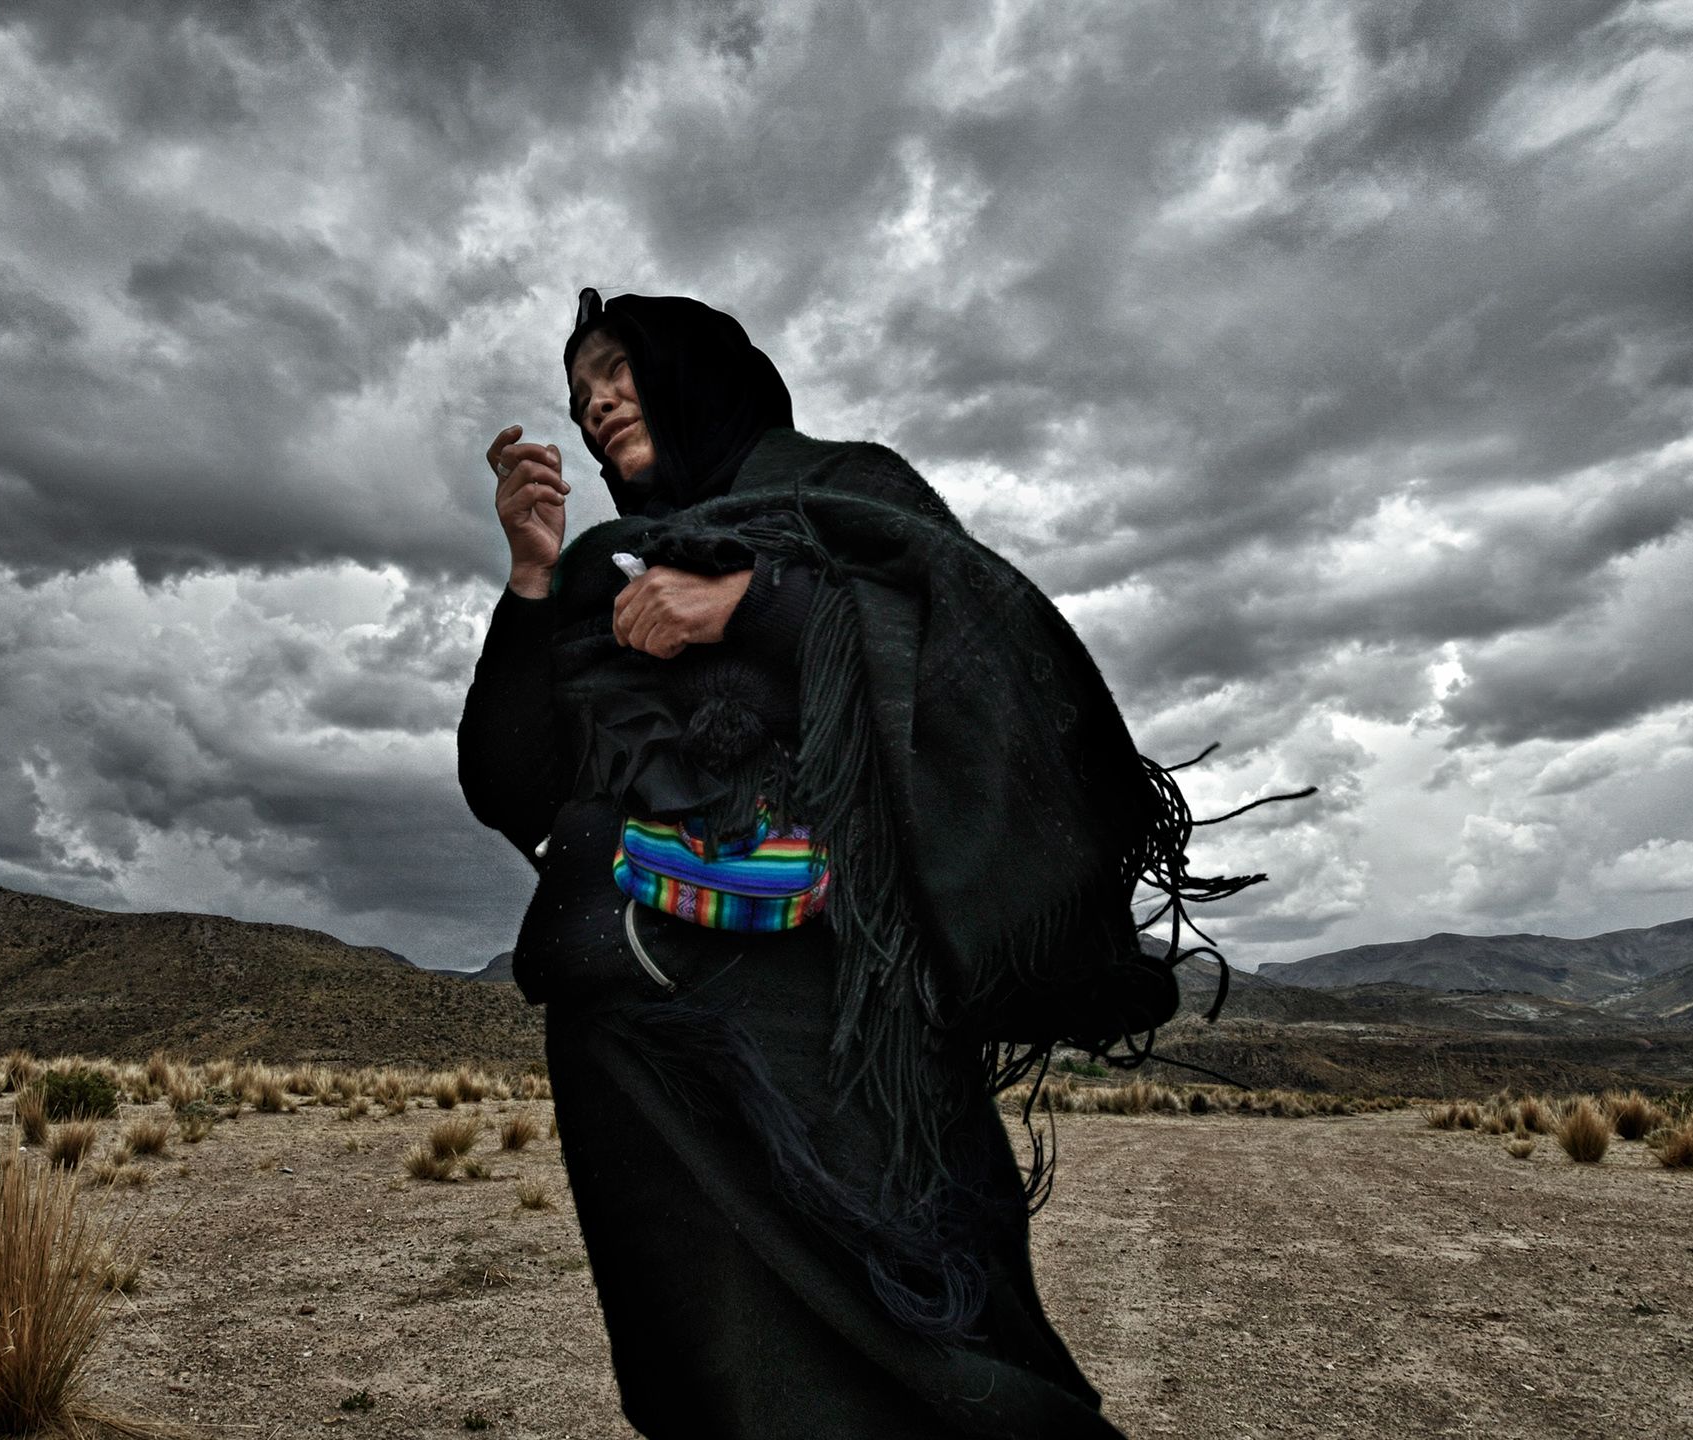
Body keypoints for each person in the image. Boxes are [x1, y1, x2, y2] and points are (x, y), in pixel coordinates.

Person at [459, 289, 1265, 1438]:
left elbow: (1004, 668)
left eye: (617, 367)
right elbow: (516, 790)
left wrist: (761, 602)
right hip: (635, 1061)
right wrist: (532, 580)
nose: (593, 404)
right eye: (579, 393)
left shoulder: (847, 495)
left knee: (927, 1360)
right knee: (714, 1384)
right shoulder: (600, 567)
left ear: (696, 364)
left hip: (832, 1034)